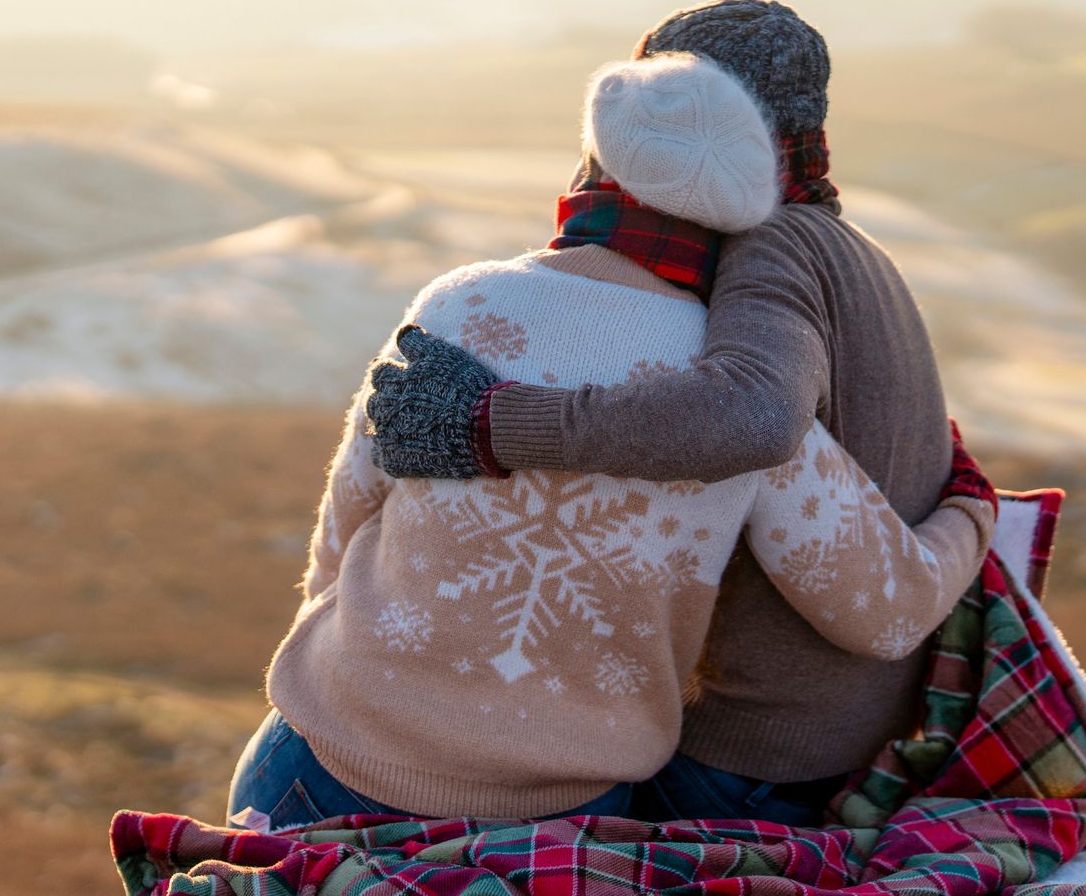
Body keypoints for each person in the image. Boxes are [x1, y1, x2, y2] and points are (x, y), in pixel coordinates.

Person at [228, 51, 995, 829]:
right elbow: (884, 613)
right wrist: (970, 509)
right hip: (563, 826)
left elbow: (344, 526)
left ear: (595, 163)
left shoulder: (460, 303)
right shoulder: (732, 395)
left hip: (320, 768)